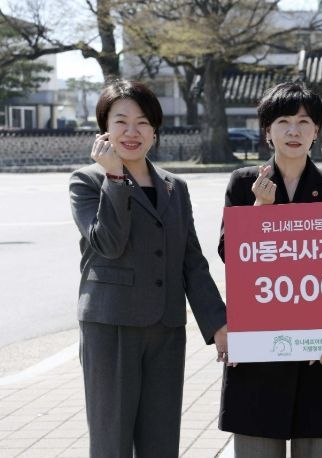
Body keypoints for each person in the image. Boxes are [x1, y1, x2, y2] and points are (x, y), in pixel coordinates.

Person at [69, 80, 228, 457]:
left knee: (161, 439)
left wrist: (217, 323)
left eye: (142, 122)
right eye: (121, 121)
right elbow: (108, 243)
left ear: (155, 132)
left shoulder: (175, 187)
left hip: (166, 328)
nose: (132, 131)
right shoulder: (87, 181)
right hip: (112, 326)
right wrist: (114, 177)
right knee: (112, 441)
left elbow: (191, 260)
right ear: (104, 130)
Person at [217, 82, 322, 458]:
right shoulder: (244, 183)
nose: (294, 130)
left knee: (318, 445)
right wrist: (260, 209)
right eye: (283, 121)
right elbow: (231, 255)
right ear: (267, 131)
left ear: (316, 131)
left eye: (304, 122)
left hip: (318, 347)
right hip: (259, 341)